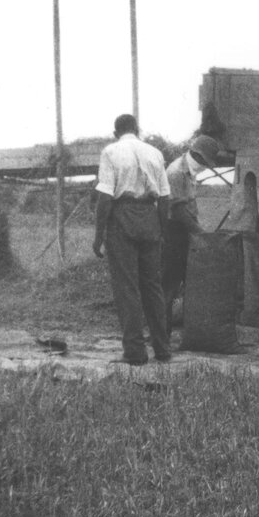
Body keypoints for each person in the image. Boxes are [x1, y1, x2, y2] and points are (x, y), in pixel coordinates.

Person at [93, 114, 172, 365]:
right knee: (153, 287)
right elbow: (165, 198)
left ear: (115, 132)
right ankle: (163, 349)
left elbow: (105, 198)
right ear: (137, 129)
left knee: (127, 288)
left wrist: (98, 236)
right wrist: (162, 231)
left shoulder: (111, 152)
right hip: (150, 217)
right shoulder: (155, 153)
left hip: (123, 218)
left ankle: (135, 352)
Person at [162, 135, 220, 331]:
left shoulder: (189, 171)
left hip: (185, 230)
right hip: (173, 232)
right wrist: (200, 233)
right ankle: (163, 334)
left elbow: (189, 207)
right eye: (205, 162)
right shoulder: (177, 172)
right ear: (197, 156)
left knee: (189, 282)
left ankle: (189, 331)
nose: (206, 166)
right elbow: (178, 210)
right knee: (170, 285)